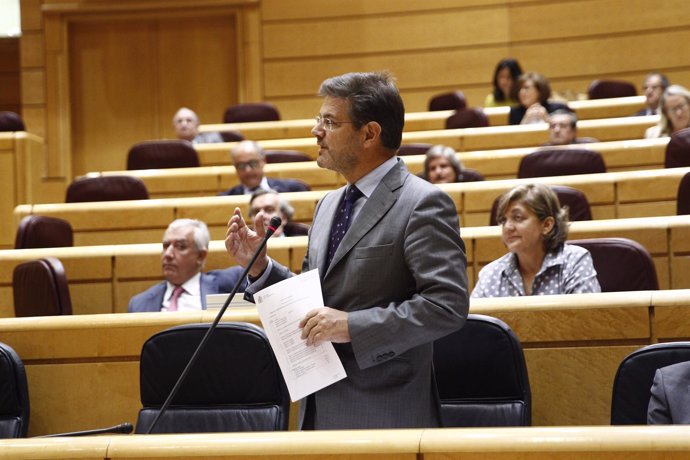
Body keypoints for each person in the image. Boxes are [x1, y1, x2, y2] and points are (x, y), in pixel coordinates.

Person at [225, 71, 469, 430]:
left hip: (385, 412)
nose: (316, 131)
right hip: (319, 405)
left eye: (329, 121)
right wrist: (260, 267)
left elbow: (446, 306)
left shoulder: (422, 203)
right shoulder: (328, 204)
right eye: (318, 119)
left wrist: (352, 326)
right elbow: (316, 298)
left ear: (369, 133)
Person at [471, 183, 601, 298]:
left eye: (518, 217)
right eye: (503, 220)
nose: (508, 227)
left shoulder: (575, 262)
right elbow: (475, 324)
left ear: (546, 225)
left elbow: (586, 322)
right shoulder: (491, 274)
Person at [128, 218, 245, 312]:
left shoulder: (231, 283)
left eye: (180, 246)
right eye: (165, 246)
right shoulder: (139, 304)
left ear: (200, 256)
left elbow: (259, 282)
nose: (168, 254)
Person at [218, 140, 310, 195]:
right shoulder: (224, 198)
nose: (248, 170)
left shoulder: (294, 190)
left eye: (253, 163)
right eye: (241, 165)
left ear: (263, 161)